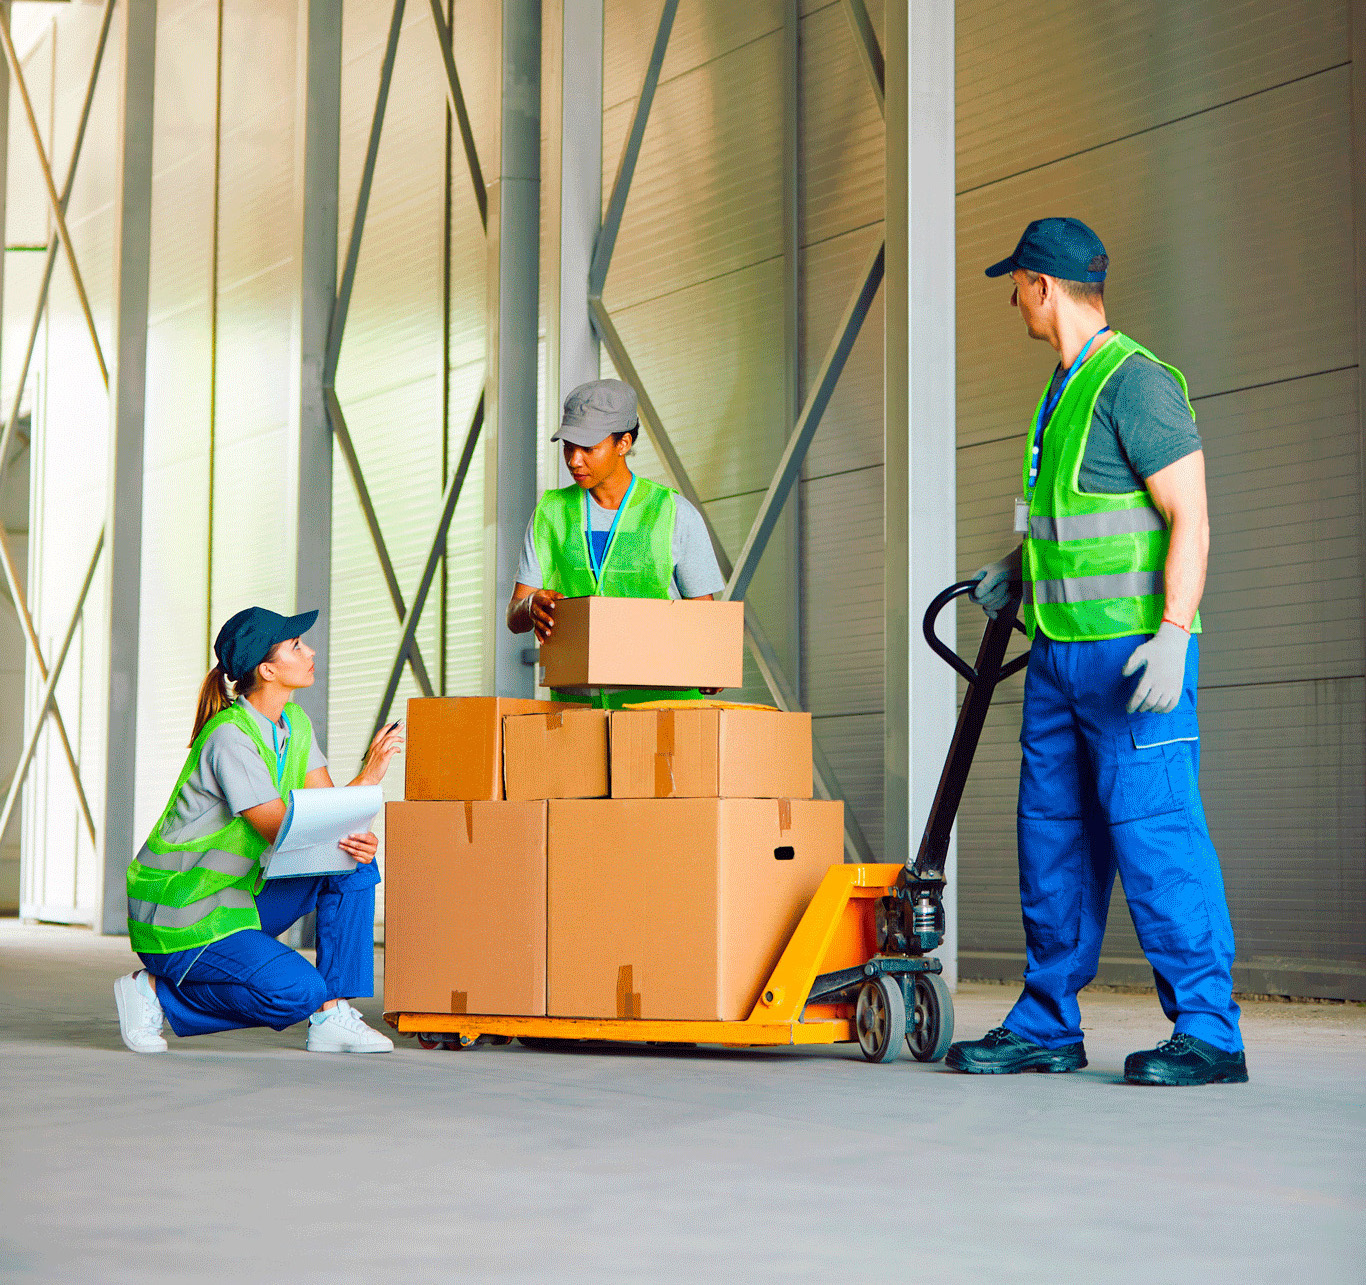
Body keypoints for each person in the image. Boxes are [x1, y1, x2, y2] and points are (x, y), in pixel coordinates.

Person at [945, 217, 1247, 1086]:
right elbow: (1079, 523)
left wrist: (1175, 635)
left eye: (1017, 284)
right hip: (1057, 659)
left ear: (1042, 285)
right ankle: (1047, 1021)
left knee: (1157, 837)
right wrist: (1014, 570)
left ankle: (1208, 1030)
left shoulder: (1136, 382)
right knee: (1053, 842)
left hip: (1133, 662)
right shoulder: (1061, 389)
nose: (1013, 299)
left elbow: (1190, 515)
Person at [113, 606, 404, 1055]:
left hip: (238, 898)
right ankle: (154, 991)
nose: (309, 651)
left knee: (354, 864)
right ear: (267, 670)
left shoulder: (296, 725)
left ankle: (334, 1013)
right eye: (296, 646)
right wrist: (362, 790)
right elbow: (281, 830)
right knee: (296, 992)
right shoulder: (230, 736)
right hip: (183, 913)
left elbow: (327, 814)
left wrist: (361, 809)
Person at [507, 378, 726, 708]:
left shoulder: (672, 512)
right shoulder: (551, 512)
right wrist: (531, 605)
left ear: (623, 443)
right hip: (577, 710)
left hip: (659, 709)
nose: (574, 460)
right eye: (568, 446)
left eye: (588, 448)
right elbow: (515, 614)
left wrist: (710, 666)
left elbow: (703, 621)